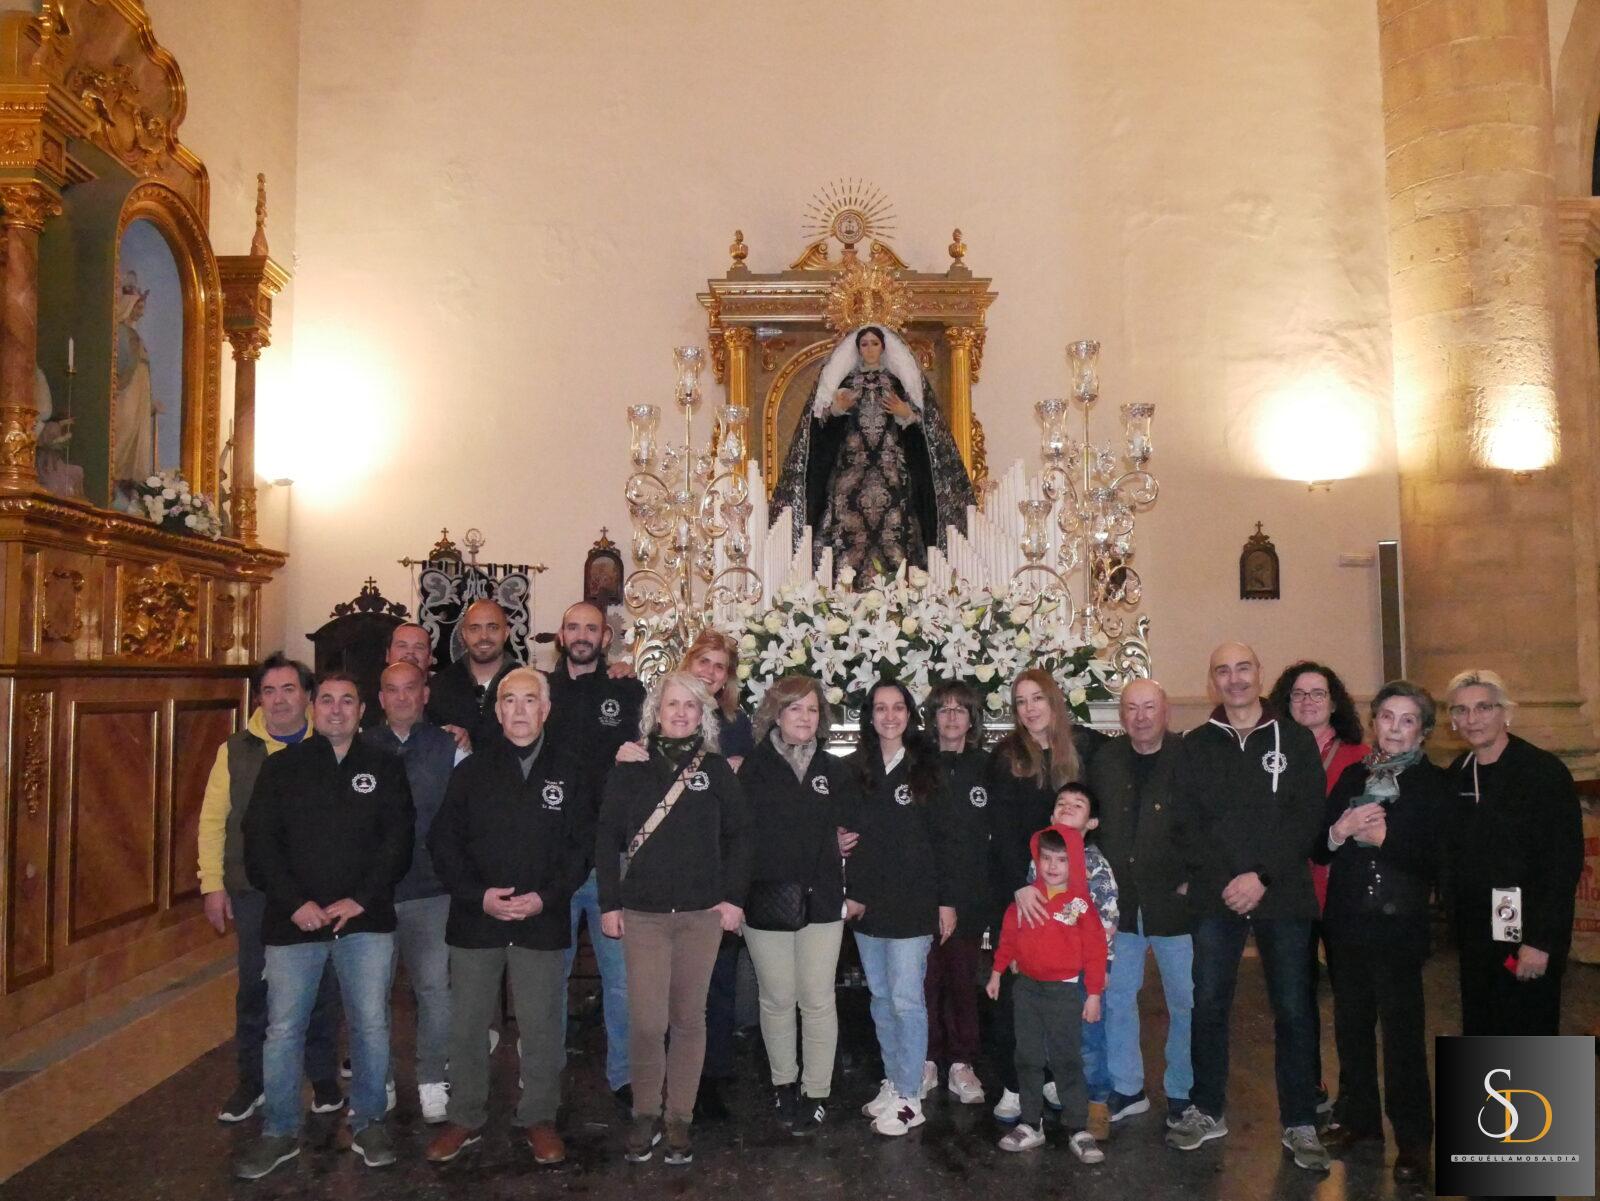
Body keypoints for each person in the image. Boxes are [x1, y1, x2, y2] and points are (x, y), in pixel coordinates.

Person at [233, 672, 414, 1180]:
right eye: (327, 701)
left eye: (347, 701)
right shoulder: (281, 768)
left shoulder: (384, 767)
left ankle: (370, 1122)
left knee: (371, 1024)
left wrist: (360, 899)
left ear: (362, 711)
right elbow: (259, 845)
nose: (337, 710)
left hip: (365, 921)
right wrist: (296, 904)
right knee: (283, 1029)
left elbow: (398, 841)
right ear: (313, 709)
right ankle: (279, 1131)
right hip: (294, 923)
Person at [1167, 642, 1330, 1173]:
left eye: (1243, 668)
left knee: (1294, 1008)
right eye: (1223, 671)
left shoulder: (1295, 739)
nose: (1234, 679)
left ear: (1259, 674)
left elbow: (1307, 817)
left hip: (1282, 892)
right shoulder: (1195, 745)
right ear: (1212, 681)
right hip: (1218, 895)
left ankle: (1300, 1120)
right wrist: (1231, 880)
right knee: (1209, 1002)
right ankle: (1207, 1108)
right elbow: (1186, 824)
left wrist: (1261, 876)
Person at [424, 668, 592, 1168]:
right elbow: (444, 843)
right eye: (510, 701)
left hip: (542, 916)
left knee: (541, 1025)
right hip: (478, 918)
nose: (520, 710)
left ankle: (538, 1115)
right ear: (497, 712)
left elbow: (581, 848)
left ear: (546, 709)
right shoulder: (470, 771)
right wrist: (479, 896)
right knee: (467, 1024)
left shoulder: (571, 771)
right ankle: (465, 1116)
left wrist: (546, 897)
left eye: (529, 700)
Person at [596, 672, 752, 1167]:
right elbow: (606, 839)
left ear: (702, 714)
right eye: (672, 705)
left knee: (688, 1019)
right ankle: (645, 1111)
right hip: (643, 913)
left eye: (690, 705)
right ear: (655, 713)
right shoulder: (630, 766)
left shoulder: (716, 770)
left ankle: (679, 1117)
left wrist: (733, 899)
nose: (681, 713)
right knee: (646, 1022)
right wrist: (609, 904)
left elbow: (741, 836)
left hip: (700, 915)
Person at [197, 653, 343, 1124]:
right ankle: (251, 1081)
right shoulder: (236, 750)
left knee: (323, 985)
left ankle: (322, 1077)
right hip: (254, 889)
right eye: (269, 691)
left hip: (319, 888)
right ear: (258, 699)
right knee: (255, 986)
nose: (279, 700)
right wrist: (212, 884)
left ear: (307, 696)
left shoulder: (334, 742)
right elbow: (214, 820)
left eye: (289, 689)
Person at [1313, 681, 1449, 1187]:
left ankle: (1413, 1139)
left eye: (1407, 720)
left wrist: (1384, 838)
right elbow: (1319, 847)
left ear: (1423, 731)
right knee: (1351, 1028)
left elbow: (1439, 860)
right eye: (1387, 717)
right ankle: (1360, 1120)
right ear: (1374, 723)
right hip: (1347, 923)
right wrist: (1340, 831)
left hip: (1398, 927)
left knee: (1402, 1037)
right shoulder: (1354, 775)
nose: (1394, 728)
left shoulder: (1432, 784)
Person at [738, 675, 857, 1135]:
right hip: (766, 900)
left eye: (811, 709)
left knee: (818, 999)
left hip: (822, 900)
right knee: (777, 999)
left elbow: (851, 828)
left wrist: (843, 842)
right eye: (794, 708)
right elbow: (739, 837)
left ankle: (817, 1091)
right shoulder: (753, 768)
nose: (804, 717)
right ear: (776, 713)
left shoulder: (834, 769)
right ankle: (783, 1084)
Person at [983, 667, 1103, 1122]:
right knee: (1018, 993)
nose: (1030, 708)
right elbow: (999, 830)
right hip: (1022, 891)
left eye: (1037, 698)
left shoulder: (1082, 749)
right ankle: (1014, 1085)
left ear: (1053, 700)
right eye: (1021, 701)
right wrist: (1020, 885)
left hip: (1067, 896)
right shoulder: (1007, 756)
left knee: (1060, 989)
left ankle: (1052, 1076)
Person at [845, 679, 961, 1138]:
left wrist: (946, 901)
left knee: (907, 999)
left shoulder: (928, 768)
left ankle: (912, 1096)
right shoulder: (857, 768)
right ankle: (894, 1080)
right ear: (870, 715)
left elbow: (947, 841)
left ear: (910, 715)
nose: (889, 716)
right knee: (880, 998)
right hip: (867, 904)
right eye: (880, 708)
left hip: (914, 904)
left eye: (898, 708)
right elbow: (843, 825)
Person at [771, 324, 974, 581]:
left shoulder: (896, 383)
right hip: (851, 470)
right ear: (858, 349)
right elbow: (821, 429)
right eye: (864, 344)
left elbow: (923, 427)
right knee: (847, 524)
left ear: (883, 348)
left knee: (895, 524)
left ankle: (898, 586)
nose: (869, 349)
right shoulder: (845, 384)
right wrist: (836, 410)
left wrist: (906, 414)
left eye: (874, 344)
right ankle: (844, 584)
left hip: (891, 470)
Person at [1444, 669, 1584, 1037]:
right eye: (1461, 710)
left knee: (1529, 1038)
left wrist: (1541, 941)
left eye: (1483, 707)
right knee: (1482, 1034)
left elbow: (1563, 865)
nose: (1472, 719)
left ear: (1506, 712)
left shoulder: (1543, 772)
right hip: (1477, 933)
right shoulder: (1458, 772)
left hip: (1529, 933)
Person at [547, 599, 646, 1107]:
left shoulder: (628, 691)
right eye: (573, 627)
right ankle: (545, 1074)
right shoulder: (540, 691)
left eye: (592, 628)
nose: (582, 635)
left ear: (606, 638)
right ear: (561, 636)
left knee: (621, 980)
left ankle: (625, 1075)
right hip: (554, 860)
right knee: (551, 976)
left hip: (612, 859)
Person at [1086, 678, 1193, 1129]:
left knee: (1185, 1000)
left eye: (1150, 707)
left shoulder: (1190, 757)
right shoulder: (1105, 760)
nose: (1141, 717)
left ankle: (1183, 1090)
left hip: (1176, 903)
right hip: (1122, 904)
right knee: (1116, 997)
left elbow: (1210, 822)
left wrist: (1193, 878)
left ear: (1166, 711)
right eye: (1132, 708)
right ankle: (1127, 1087)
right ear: (1121, 715)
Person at [359, 660, 463, 1124]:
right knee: (371, 996)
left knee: (435, 990)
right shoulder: (359, 746)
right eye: (392, 689)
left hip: (431, 891)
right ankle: (378, 1080)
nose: (402, 697)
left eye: (410, 688)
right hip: (373, 894)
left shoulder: (449, 746)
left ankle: (431, 1078)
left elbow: (464, 815)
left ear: (425, 694)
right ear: (381, 698)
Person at [1268, 658, 1366, 1113]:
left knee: (1351, 1000)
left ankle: (1356, 1095)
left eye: (1318, 693)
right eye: (1298, 694)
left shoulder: (1359, 755)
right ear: (1286, 703)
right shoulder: (1273, 753)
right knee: (1296, 999)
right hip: (1291, 890)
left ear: (1334, 701)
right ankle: (1308, 1086)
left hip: (1344, 891)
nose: (1308, 702)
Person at [986, 825, 1107, 1163]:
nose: (1053, 866)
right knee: (1027, 1057)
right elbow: (1009, 937)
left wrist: (1093, 994)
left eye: (1062, 859)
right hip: (1026, 990)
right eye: (1047, 858)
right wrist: (996, 972)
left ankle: (1078, 1127)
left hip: (1064, 992)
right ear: (1037, 860)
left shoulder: (1080, 905)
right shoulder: (1026, 898)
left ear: (1075, 863)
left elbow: (1096, 951)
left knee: (1067, 1059)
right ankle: (1030, 1123)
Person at [920, 679, 990, 1105]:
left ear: (971, 718)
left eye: (959, 709)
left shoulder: (987, 767)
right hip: (924, 893)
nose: (951, 717)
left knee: (963, 981)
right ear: (933, 717)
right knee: (926, 982)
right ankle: (927, 1059)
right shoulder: (917, 764)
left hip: (970, 894)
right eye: (943, 709)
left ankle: (963, 1063)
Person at [427, 599, 517, 747]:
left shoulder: (527, 684)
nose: (484, 636)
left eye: (493, 628)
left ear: (506, 633)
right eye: (475, 629)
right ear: (464, 634)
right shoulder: (439, 687)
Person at [360, 622, 436, 730]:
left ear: (430, 657)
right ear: (388, 655)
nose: (410, 652)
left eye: (419, 647)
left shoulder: (445, 699)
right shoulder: (365, 699)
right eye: (402, 646)